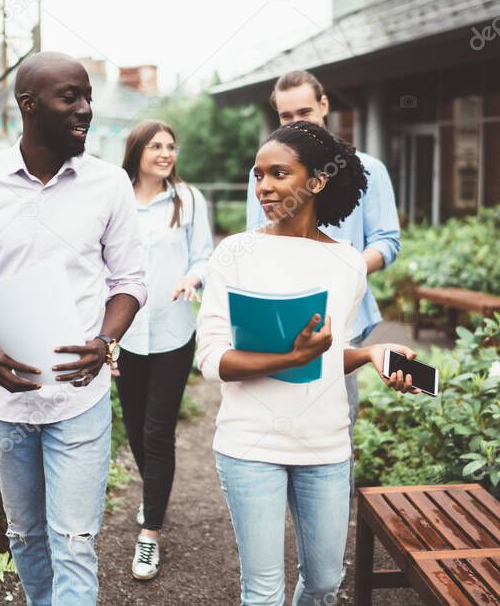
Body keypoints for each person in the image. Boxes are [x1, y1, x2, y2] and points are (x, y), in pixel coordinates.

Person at [0, 52, 146, 606]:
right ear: (29, 106)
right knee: (26, 537)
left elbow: (130, 281)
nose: (87, 110)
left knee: (73, 541)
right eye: (70, 97)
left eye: (88, 96)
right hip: (5, 401)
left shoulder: (110, 184)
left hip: (80, 394)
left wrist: (106, 341)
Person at [197, 120, 420, 605]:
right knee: (262, 592)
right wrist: (286, 356)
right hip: (250, 443)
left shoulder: (347, 263)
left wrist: (372, 354)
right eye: (258, 175)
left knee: (322, 583)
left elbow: (325, 355)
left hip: (324, 446)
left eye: (279, 173)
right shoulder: (235, 253)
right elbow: (210, 358)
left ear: (317, 181)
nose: (264, 187)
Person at [245, 71, 401, 486]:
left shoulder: (367, 170)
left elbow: (387, 241)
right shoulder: (264, 174)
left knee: (335, 416)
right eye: (285, 115)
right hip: (283, 310)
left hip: (345, 314)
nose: (296, 123)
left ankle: (331, 506)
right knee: (277, 406)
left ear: (325, 106)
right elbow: (254, 241)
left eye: (305, 111)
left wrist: (341, 271)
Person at [116, 120, 213, 580]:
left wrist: (193, 278)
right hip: (126, 333)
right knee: (135, 429)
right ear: (136, 151)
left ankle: (150, 532)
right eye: (155, 146)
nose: (165, 153)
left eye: (171, 146)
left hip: (174, 331)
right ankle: (154, 493)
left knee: (158, 431)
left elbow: (204, 256)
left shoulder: (189, 200)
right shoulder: (114, 199)